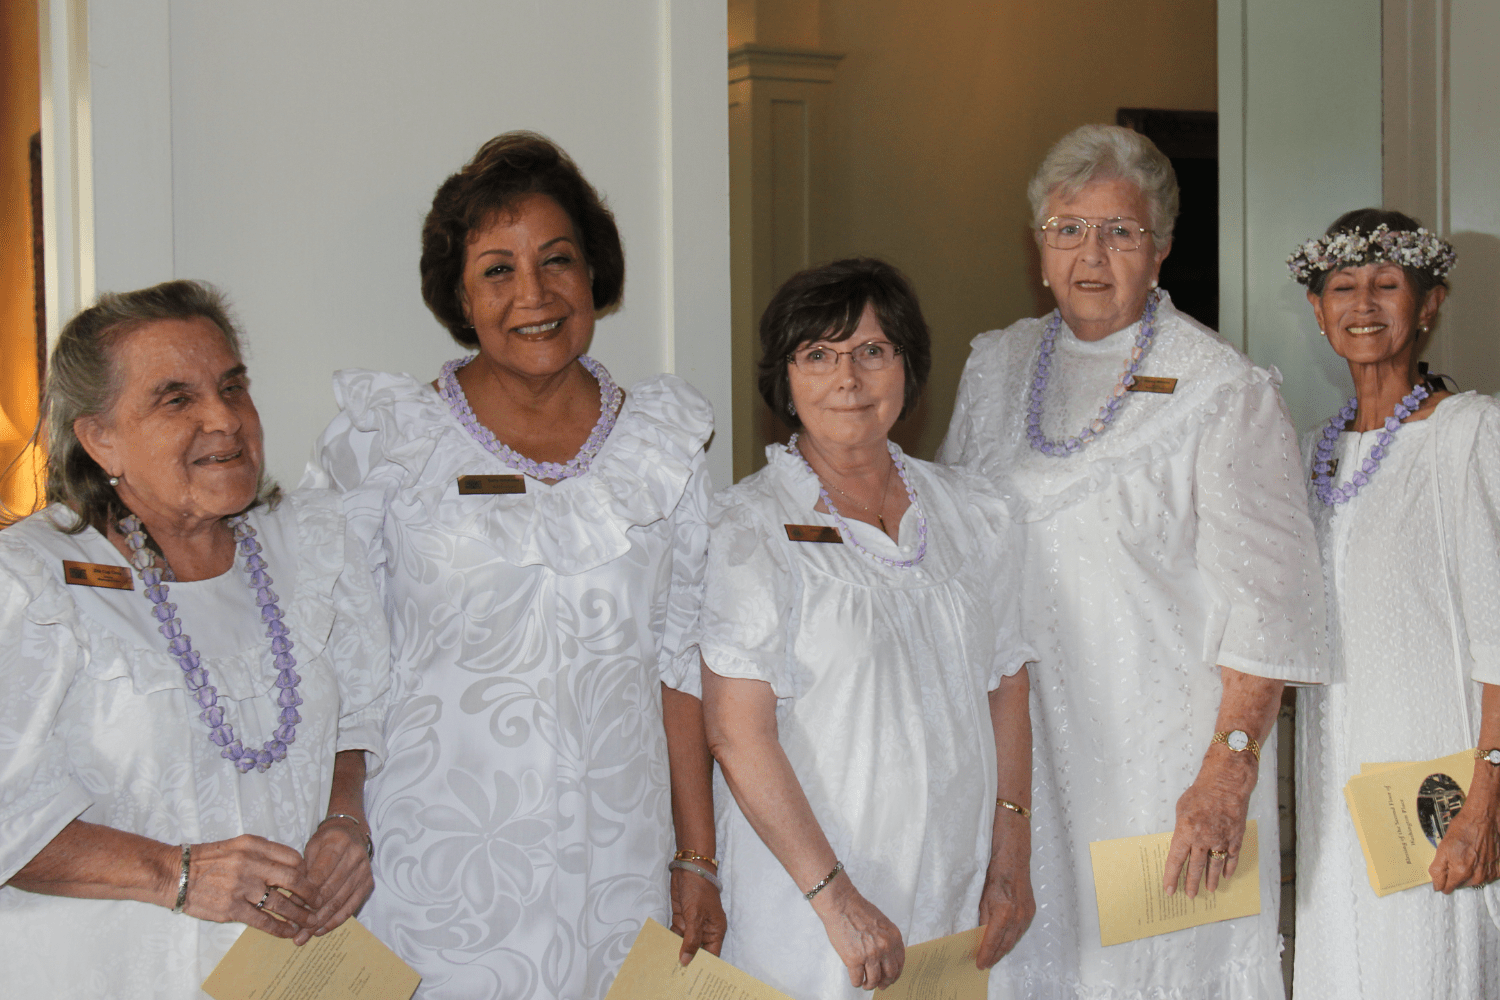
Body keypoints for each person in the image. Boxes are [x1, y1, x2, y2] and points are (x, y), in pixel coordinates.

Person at [303, 132, 721, 999]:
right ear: (458, 294)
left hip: (619, 871)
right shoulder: (387, 445)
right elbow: (336, 658)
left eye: (557, 260)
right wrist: (343, 820)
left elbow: (682, 667)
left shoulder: (664, 446)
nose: (534, 294)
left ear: (594, 273)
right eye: (498, 269)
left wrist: (697, 857)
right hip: (431, 875)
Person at [940, 124, 1327, 999]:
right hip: (1020, 749)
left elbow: (1269, 608)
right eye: (1067, 228)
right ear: (1038, 248)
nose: (1090, 253)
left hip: (1164, 765)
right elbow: (953, 548)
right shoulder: (995, 366)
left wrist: (1227, 770)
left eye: (1119, 232)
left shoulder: (1222, 387)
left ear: (1159, 252)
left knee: (1150, 977)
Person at [0, 280, 390, 998]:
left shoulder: (309, 547)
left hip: (292, 977)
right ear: (100, 438)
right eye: (176, 399)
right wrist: (175, 873)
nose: (225, 419)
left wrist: (345, 820)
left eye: (233, 387)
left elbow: (356, 717)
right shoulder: (31, 581)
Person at [697, 258, 1036, 998]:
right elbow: (735, 733)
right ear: (784, 380)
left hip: (954, 884)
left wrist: (1011, 852)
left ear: (907, 367)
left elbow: (1007, 680)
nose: (846, 378)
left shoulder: (974, 514)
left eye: (871, 351)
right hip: (817, 901)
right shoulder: (747, 526)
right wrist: (836, 899)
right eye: (817, 354)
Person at [1288, 209, 1500, 997]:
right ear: (1317, 310)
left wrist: (1486, 798)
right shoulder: (1314, 450)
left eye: (1388, 284)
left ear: (1431, 302)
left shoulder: (1469, 432)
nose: (1364, 304)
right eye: (1343, 287)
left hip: (1433, 776)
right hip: (1332, 773)